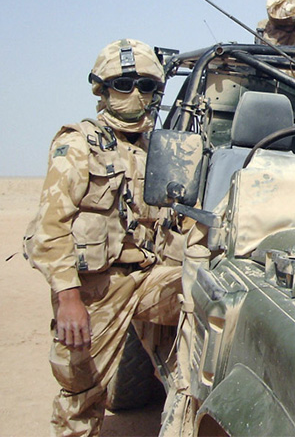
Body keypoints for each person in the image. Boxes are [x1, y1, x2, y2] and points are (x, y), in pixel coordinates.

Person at [23, 39, 184, 436]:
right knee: (81, 395)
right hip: (95, 289)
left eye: (146, 86)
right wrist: (69, 299)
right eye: (123, 85)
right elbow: (50, 229)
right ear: (103, 90)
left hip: (146, 278)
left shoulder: (157, 149)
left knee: (203, 293)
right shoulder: (77, 145)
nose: (135, 95)